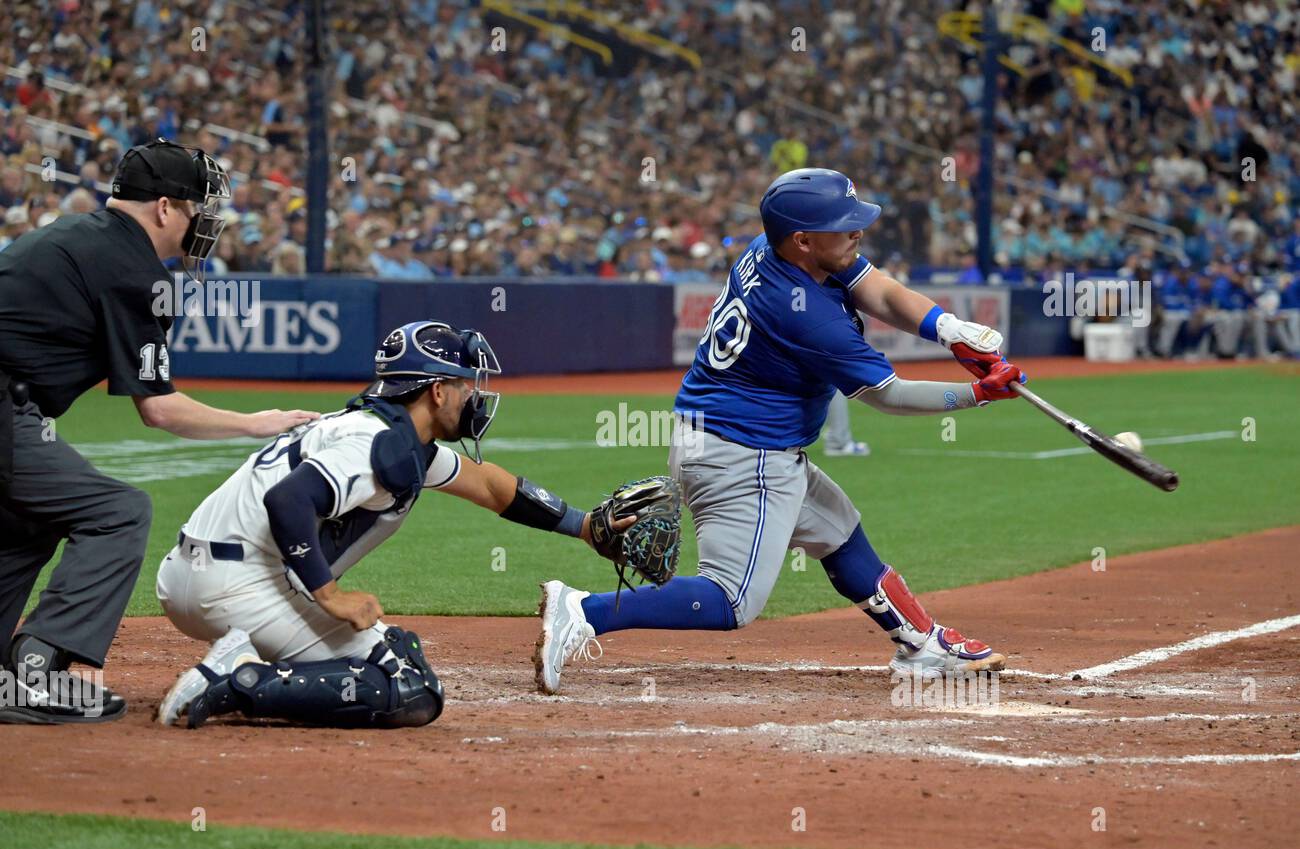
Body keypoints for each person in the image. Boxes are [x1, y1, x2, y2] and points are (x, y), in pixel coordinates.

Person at [534, 168, 1025, 694]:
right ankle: (585, 609)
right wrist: (978, 394)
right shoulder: (805, 315)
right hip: (745, 457)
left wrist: (947, 329)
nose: (857, 232)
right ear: (804, 240)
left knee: (838, 533)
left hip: (728, 440)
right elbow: (889, 394)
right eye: (844, 225)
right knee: (731, 600)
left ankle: (920, 643)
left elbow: (877, 290)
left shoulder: (776, 249)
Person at [155, 321, 631, 729]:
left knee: (392, 657)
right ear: (437, 390)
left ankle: (249, 662)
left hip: (196, 571)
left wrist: (585, 526)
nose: (475, 397)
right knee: (409, 686)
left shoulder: (393, 438)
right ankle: (238, 678)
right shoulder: (380, 444)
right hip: (235, 587)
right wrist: (330, 596)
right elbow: (290, 500)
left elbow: (488, 486)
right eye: (466, 385)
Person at [0, 139, 318, 724]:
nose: (206, 222)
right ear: (166, 208)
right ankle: (37, 672)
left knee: (25, 520)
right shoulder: (133, 268)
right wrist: (259, 423)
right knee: (119, 512)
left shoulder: (76, 235)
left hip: (14, 408)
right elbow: (160, 411)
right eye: (200, 208)